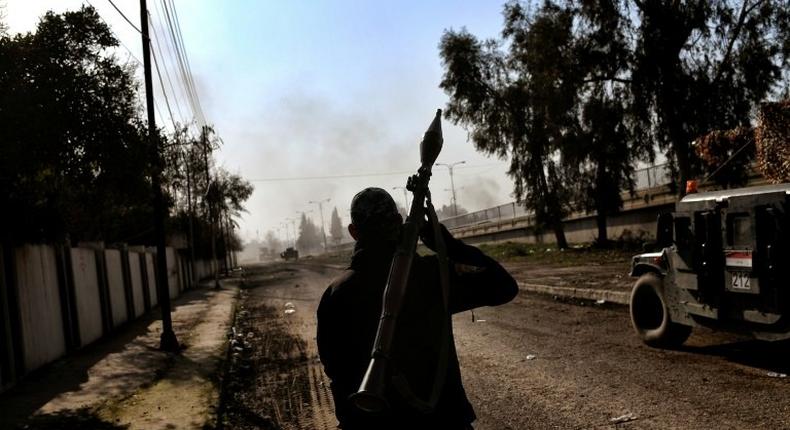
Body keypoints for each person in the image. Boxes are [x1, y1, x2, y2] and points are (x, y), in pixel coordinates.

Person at [317, 187, 518, 429]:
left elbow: (335, 370)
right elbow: (504, 287)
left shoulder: (336, 294)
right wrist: (447, 244)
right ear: (398, 224)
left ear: (353, 232)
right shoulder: (432, 274)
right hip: (442, 419)